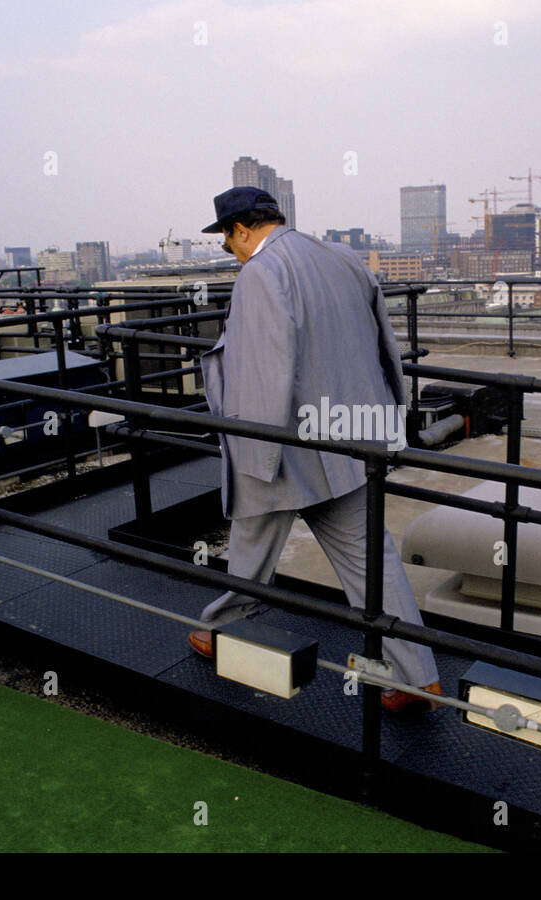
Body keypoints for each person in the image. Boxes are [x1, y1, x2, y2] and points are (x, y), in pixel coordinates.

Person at [186, 186, 442, 712]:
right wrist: (393, 416)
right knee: (373, 563)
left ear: (240, 230)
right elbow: (383, 344)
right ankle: (419, 678)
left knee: (253, 543)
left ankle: (222, 630)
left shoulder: (261, 272)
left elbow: (262, 369)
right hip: (351, 441)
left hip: (285, 447)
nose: (230, 252)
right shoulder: (340, 256)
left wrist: (252, 458)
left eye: (227, 241)